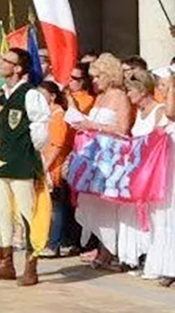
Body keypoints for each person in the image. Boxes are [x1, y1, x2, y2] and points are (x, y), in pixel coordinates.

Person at [0, 48, 49, 286]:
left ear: (18, 68)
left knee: (26, 214)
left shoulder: (30, 94)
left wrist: (32, 156)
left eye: (6, 61)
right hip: (1, 162)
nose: (0, 63)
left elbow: (40, 129)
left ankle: (31, 264)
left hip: (22, 163)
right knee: (3, 213)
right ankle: (5, 262)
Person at [70, 53, 132, 270]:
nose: (94, 81)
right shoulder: (100, 97)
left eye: (97, 76)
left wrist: (93, 126)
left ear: (108, 75)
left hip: (112, 158)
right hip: (94, 156)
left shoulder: (120, 97)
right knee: (93, 203)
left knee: (108, 205)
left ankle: (109, 252)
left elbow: (123, 129)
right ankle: (102, 246)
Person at [117, 69, 168, 270]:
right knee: (129, 212)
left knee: (151, 214)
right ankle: (133, 254)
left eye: (131, 91)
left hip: (153, 172)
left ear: (143, 90)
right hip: (136, 170)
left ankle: (149, 254)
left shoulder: (159, 110)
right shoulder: (138, 112)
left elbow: (158, 141)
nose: (128, 95)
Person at [37, 80, 77, 258]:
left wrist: (47, 166)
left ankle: (54, 244)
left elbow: (59, 144)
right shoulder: (47, 115)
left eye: (42, 94)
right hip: (46, 162)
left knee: (57, 207)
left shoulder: (59, 115)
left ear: (52, 97)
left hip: (55, 166)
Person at [144, 74, 175, 286]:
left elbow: (172, 113)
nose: (162, 88)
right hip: (165, 171)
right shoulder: (160, 110)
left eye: (165, 85)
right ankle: (167, 265)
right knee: (163, 218)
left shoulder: (170, 109)